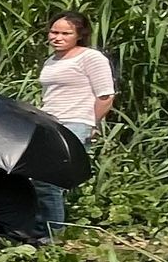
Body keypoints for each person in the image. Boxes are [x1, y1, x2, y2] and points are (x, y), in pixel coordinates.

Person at [35, 13, 115, 230]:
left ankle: (52, 233)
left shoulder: (90, 58)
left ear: (79, 35)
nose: (57, 37)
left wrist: (93, 123)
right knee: (40, 178)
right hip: (49, 122)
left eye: (65, 33)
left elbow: (106, 96)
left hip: (75, 123)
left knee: (49, 180)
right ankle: (43, 226)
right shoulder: (52, 60)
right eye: (54, 32)